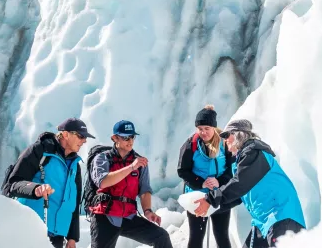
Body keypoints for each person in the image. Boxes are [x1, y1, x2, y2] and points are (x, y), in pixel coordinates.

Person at [192, 119, 305, 248]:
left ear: (238, 135)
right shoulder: (245, 159)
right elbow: (238, 196)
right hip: (263, 223)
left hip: (282, 218)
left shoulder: (255, 153)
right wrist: (212, 207)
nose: (225, 140)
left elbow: (239, 184)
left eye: (226, 135)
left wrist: (210, 199)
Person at [4, 118, 95, 248]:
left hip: (57, 236)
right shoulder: (41, 151)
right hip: (32, 229)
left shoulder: (75, 166)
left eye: (85, 137)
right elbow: (13, 183)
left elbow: (73, 205)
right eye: (80, 136)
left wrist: (72, 237)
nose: (84, 141)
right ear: (65, 134)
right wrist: (35, 189)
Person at [86, 120, 173, 248]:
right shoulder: (102, 158)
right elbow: (103, 182)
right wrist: (131, 168)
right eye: (125, 137)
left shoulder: (139, 162)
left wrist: (148, 211)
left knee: (161, 237)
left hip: (128, 216)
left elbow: (145, 190)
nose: (130, 141)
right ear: (115, 138)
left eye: (132, 136)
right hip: (105, 216)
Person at [176, 105, 235, 248]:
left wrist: (218, 181)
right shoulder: (191, 145)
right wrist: (201, 183)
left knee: (222, 236)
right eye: (200, 129)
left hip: (219, 194)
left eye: (206, 128)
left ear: (214, 127)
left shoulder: (224, 143)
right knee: (196, 238)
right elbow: (182, 171)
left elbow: (231, 169)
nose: (203, 132)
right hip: (197, 197)